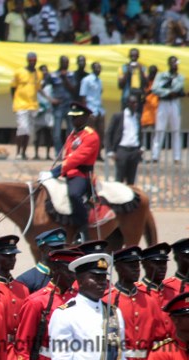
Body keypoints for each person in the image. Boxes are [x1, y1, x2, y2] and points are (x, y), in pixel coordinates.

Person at [47, 102, 99, 243]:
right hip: (68, 172)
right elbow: (67, 156)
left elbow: (77, 158)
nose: (73, 120)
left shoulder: (90, 136)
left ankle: (83, 229)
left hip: (82, 175)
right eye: (72, 117)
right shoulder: (73, 134)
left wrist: (57, 171)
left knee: (74, 195)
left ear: (85, 117)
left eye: (76, 117)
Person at [150, 56, 184, 164]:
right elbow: (155, 89)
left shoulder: (180, 77)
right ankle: (155, 155)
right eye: (173, 63)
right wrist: (168, 92)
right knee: (160, 129)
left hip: (174, 103)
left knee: (176, 130)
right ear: (169, 63)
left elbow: (177, 88)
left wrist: (166, 90)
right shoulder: (161, 76)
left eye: (176, 63)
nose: (175, 65)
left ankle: (177, 157)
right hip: (163, 103)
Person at [10, 52, 42, 160]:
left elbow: (38, 88)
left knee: (28, 131)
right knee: (22, 128)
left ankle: (24, 153)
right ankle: (18, 152)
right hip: (20, 104)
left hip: (32, 105)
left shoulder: (38, 74)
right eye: (31, 60)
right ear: (27, 60)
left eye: (34, 60)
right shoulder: (19, 72)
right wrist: (14, 101)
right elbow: (12, 88)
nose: (32, 62)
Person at [106, 95, 142, 186]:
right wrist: (110, 151)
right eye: (133, 102)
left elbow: (139, 133)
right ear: (127, 104)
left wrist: (140, 148)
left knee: (131, 180)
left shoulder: (137, 117)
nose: (135, 105)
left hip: (134, 150)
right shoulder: (119, 116)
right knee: (119, 179)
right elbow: (109, 133)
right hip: (122, 150)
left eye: (136, 102)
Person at [17, 228, 67, 293]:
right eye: (55, 248)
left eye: (61, 247)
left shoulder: (68, 276)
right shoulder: (26, 280)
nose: (59, 251)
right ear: (42, 248)